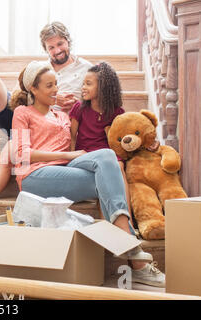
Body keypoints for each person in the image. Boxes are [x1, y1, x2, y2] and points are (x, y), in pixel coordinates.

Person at [10, 61, 165, 287]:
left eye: (56, 84)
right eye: (49, 86)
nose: (56, 89)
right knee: (107, 176)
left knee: (107, 156)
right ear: (33, 89)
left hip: (64, 172)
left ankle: (126, 242)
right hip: (35, 177)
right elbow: (21, 155)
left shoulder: (62, 116)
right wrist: (72, 157)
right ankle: (131, 246)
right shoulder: (23, 113)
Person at [0, 21, 93, 175]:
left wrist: (75, 106)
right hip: (26, 120)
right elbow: (18, 98)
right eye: (51, 47)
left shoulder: (86, 69)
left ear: (68, 41)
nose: (57, 50)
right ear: (46, 49)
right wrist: (54, 99)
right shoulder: (39, 68)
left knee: (13, 147)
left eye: (60, 44)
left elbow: (95, 104)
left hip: (53, 128)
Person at [69, 62, 131, 211]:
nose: (83, 87)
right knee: (107, 170)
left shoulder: (117, 112)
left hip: (107, 154)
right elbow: (72, 137)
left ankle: (126, 216)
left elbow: (119, 139)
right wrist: (71, 157)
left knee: (119, 166)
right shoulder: (80, 108)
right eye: (83, 83)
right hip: (85, 154)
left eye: (88, 84)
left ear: (103, 87)